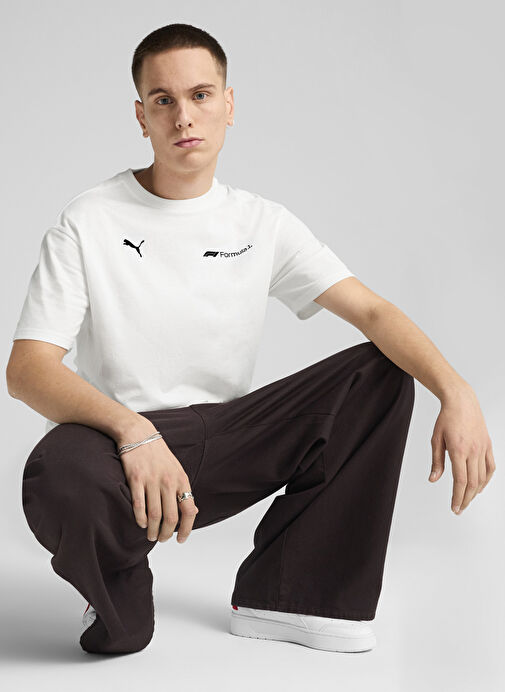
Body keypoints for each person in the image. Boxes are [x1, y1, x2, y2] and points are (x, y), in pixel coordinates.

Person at [7, 23, 495, 656]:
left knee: (380, 374)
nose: (184, 116)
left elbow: (373, 312)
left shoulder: (262, 223)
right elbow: (28, 369)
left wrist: (457, 391)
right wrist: (133, 431)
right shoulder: (89, 220)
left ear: (229, 104)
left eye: (201, 95)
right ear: (142, 116)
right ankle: (117, 596)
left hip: (223, 443)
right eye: (163, 100)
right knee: (56, 470)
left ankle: (290, 595)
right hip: (121, 455)